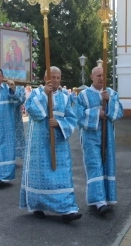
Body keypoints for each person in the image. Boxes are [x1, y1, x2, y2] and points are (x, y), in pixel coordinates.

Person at [20, 66, 82, 224]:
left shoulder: (65, 97)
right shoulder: (36, 93)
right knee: (40, 176)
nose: (55, 80)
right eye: (52, 77)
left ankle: (68, 209)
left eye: (58, 78)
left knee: (62, 175)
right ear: (45, 78)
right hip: (39, 144)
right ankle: (37, 206)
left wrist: (59, 123)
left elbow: (72, 119)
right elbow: (32, 111)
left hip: (59, 144)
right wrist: (45, 94)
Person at [75, 66, 124, 215]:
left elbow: (119, 112)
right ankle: (99, 202)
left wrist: (109, 102)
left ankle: (106, 197)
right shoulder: (83, 95)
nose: (101, 78)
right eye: (98, 75)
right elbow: (78, 115)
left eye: (103, 75)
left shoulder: (111, 93)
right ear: (91, 77)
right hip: (90, 136)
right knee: (94, 165)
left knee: (107, 164)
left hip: (107, 135)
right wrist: (98, 113)